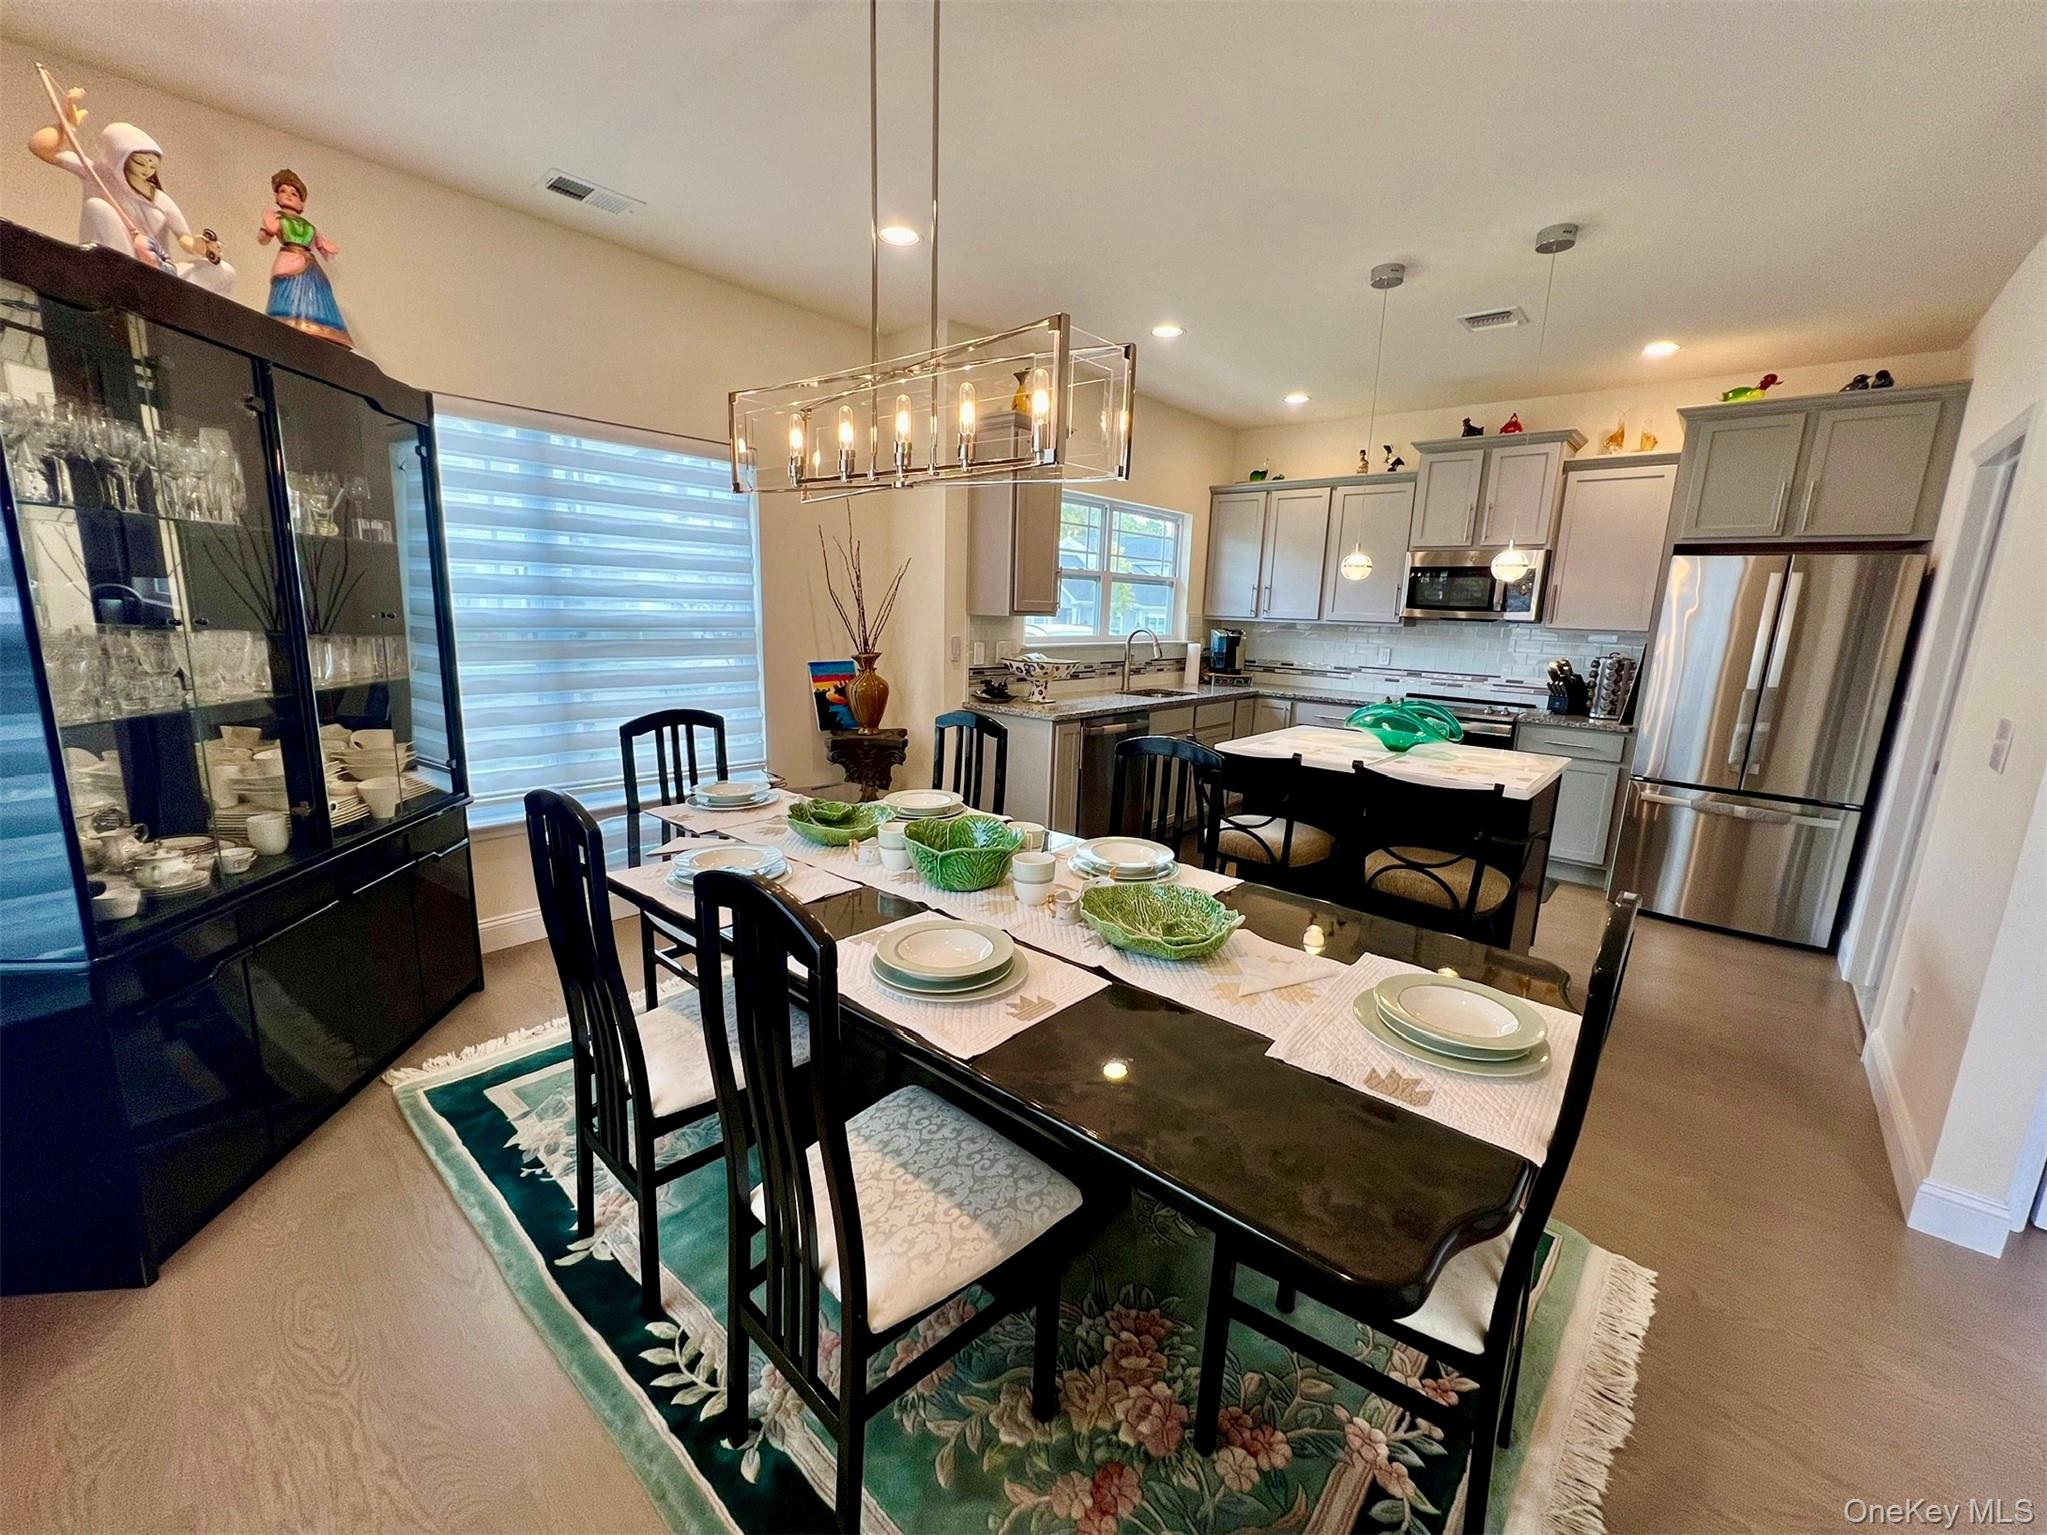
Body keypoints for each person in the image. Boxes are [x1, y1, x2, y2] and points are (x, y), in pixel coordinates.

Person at [28, 86, 235, 294]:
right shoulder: (96, 174)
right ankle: (119, 283)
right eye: (140, 163)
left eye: (152, 165)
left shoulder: (161, 200)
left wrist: (200, 246)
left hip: (159, 276)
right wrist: (67, 127)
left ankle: (159, 296)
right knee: (98, 207)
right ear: (121, 159)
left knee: (224, 272)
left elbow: (184, 238)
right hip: (120, 268)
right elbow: (41, 148)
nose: (147, 170)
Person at [257, 169, 352, 347]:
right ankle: (287, 321)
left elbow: (320, 242)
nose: (288, 195)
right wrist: (267, 230)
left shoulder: (308, 225)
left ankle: (323, 327)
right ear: (276, 197)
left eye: (294, 193)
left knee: (320, 290)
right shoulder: (277, 218)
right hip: (289, 259)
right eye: (283, 191)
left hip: (309, 265)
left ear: (302, 204)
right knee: (289, 291)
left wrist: (326, 246)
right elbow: (263, 238)